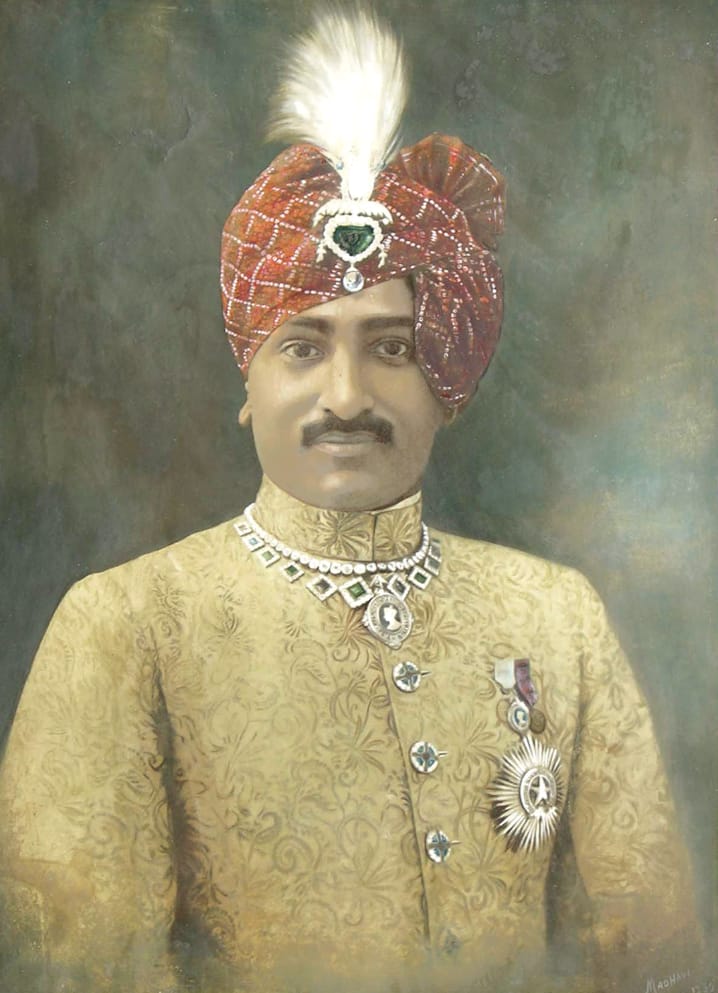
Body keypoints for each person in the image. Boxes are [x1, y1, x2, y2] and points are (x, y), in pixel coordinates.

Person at [0, 11, 700, 993]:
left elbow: (655, 961)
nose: (345, 396)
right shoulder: (124, 628)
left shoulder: (559, 617)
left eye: (392, 348)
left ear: (444, 383)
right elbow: (79, 972)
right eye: (302, 346)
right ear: (247, 384)